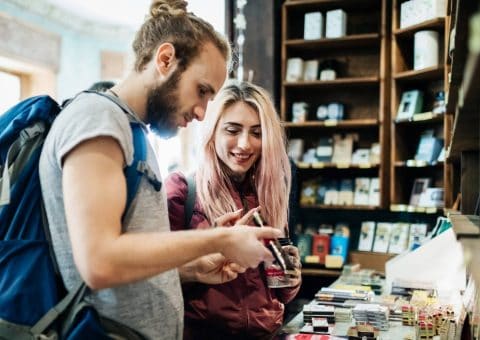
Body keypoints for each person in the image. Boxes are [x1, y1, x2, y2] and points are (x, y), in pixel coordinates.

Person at [39, 1, 281, 339]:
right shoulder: (98, 117)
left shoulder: (129, 128)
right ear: (165, 60)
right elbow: (99, 262)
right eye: (201, 91)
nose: (201, 113)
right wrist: (220, 237)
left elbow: (126, 265)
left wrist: (194, 266)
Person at [165, 81, 302, 339]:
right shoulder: (182, 190)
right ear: (213, 131)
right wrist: (207, 253)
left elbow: (279, 292)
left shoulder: (270, 193)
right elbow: (154, 278)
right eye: (233, 130)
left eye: (257, 133)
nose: (244, 144)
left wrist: (291, 279)